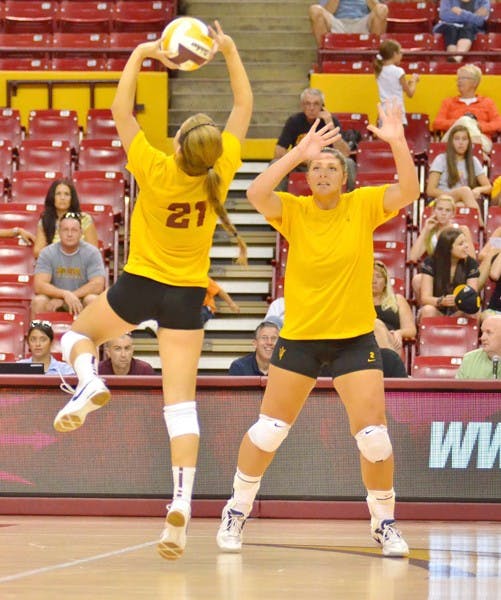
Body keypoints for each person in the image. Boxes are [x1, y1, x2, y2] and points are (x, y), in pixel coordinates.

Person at [51, 21, 252, 562]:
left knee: (74, 337)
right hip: (187, 297)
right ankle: (180, 507)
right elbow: (243, 107)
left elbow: (120, 112)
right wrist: (229, 50)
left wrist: (141, 52)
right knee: (180, 407)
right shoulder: (221, 171)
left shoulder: (157, 168)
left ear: (181, 143)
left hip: (141, 283)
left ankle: (88, 383)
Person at [216, 98, 420, 558]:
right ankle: (236, 510)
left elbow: (408, 189)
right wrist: (296, 152)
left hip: (353, 340)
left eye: (332, 166)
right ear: (307, 178)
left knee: (375, 437)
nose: (324, 173)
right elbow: (254, 193)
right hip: (301, 339)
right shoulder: (294, 210)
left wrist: (397, 141)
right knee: (269, 430)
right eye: (317, 168)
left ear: (344, 177)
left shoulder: (363, 205)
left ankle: (384, 521)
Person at [273, 88, 356, 192]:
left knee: (349, 163)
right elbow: (278, 151)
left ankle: (349, 199)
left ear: (322, 106)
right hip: (300, 164)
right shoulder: (294, 121)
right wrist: (299, 159)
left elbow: (345, 153)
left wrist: (330, 125)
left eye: (316, 104)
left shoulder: (331, 121)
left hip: (325, 164)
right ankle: (278, 202)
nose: (311, 108)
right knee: (275, 163)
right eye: (307, 104)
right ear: (302, 106)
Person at [31, 212, 106, 318]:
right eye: (65, 230)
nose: (69, 234)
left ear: (81, 233)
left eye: (74, 230)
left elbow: (98, 285)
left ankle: (93, 334)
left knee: (92, 299)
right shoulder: (47, 253)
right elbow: (39, 285)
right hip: (54, 298)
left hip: (81, 299)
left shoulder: (92, 252)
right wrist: (64, 295)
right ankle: (38, 334)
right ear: (59, 232)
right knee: (38, 301)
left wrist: (71, 296)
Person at [409, 194, 475, 303]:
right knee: (417, 279)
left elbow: (471, 258)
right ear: (434, 211)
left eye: (447, 210)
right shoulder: (431, 232)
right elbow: (413, 257)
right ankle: (425, 311)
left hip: (457, 274)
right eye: (440, 209)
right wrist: (426, 229)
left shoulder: (462, 230)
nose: (443, 213)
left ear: (453, 213)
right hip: (436, 275)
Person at [425, 124, 492, 222]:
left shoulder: (473, 161)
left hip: (464, 201)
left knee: (461, 205)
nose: (461, 143)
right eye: (457, 139)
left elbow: (488, 187)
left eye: (464, 139)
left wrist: (478, 190)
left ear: (469, 142)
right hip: (441, 201)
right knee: (464, 191)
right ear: (451, 142)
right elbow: (430, 190)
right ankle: (481, 227)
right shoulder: (441, 159)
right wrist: (452, 197)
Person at [432, 65, 501, 152]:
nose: (459, 82)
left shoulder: (487, 102)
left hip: (482, 138)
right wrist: (459, 123)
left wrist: (479, 126)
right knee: (465, 120)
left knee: (466, 123)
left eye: (463, 78)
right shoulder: (448, 102)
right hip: (453, 139)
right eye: (458, 79)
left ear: (475, 82)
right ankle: (478, 152)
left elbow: (498, 123)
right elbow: (437, 123)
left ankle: (474, 149)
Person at [418, 227, 480, 318]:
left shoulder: (471, 263)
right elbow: (425, 298)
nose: (466, 246)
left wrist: (460, 300)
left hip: (459, 310)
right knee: (428, 310)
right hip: (438, 308)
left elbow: (471, 295)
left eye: (465, 242)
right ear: (448, 248)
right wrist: (441, 301)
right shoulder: (431, 262)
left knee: (474, 313)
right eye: (461, 244)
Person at [33, 178, 99, 259]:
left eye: (67, 194)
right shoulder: (45, 221)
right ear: (52, 197)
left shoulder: (84, 219)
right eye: (58, 194)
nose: (62, 198)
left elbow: (93, 252)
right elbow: (37, 252)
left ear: (72, 198)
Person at [372, 260, 416, 358]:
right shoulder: (358, 303)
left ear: (385, 282)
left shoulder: (398, 300)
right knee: (376, 325)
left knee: (378, 325)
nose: (373, 281)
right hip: (365, 342)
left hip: (391, 340)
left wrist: (399, 333)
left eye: (378, 277)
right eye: (370, 277)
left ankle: (390, 364)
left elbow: (411, 330)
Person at [374, 39, 419, 126]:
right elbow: (410, 93)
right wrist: (414, 81)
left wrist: (408, 82)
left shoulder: (379, 70)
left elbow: (396, 86)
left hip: (384, 111)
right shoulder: (399, 71)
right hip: (396, 110)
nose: (402, 55)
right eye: (400, 53)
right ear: (395, 54)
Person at [309, 0, 388, 46]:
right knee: (315, 10)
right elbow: (327, 12)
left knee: (382, 9)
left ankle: (376, 56)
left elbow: (378, 11)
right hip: (338, 23)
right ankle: (324, 54)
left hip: (361, 23)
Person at [455, 315, 501, 379]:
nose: (482, 338)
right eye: (482, 332)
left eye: (489, 332)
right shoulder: (469, 359)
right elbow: (458, 388)